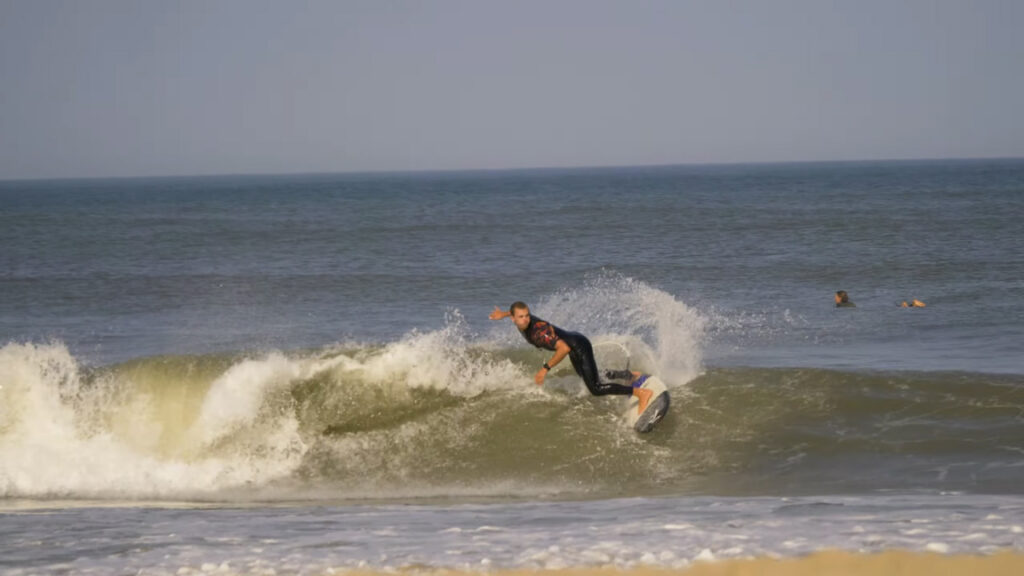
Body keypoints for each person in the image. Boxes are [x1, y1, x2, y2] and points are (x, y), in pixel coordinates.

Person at [489, 301, 652, 412]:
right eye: (520, 317)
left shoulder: (539, 333)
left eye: (527, 316)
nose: (525, 319)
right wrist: (501, 314)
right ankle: (627, 375)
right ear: (513, 317)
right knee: (586, 375)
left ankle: (640, 393)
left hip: (578, 346)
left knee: (596, 388)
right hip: (574, 343)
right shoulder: (517, 318)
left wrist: (544, 370)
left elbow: (563, 348)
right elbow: (513, 311)